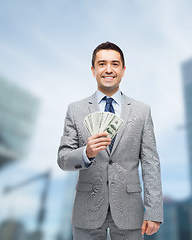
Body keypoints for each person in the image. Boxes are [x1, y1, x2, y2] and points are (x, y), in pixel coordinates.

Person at [57, 41, 163, 240]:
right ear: (93, 69)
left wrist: (154, 211)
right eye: (102, 63)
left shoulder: (142, 111)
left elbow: (151, 164)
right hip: (87, 210)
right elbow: (63, 159)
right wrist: (86, 153)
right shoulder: (76, 110)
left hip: (130, 211)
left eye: (115, 64)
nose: (108, 69)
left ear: (123, 70)